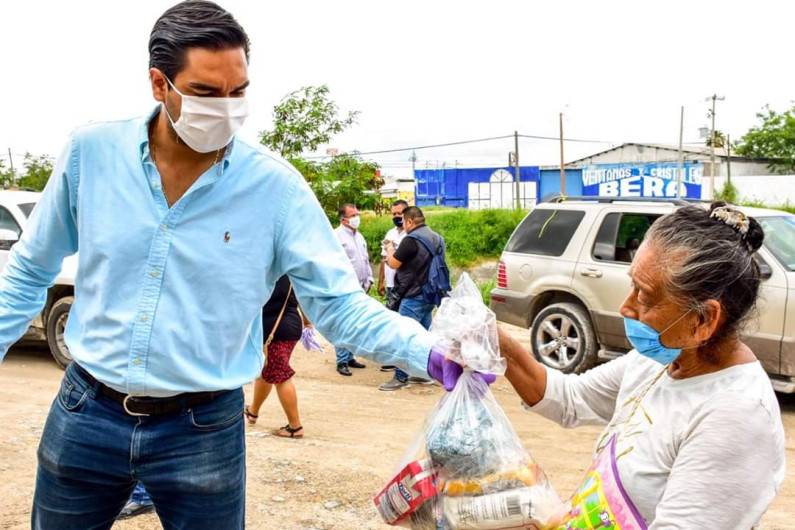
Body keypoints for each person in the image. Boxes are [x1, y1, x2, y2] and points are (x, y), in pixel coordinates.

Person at [0, 3, 466, 528]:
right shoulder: (91, 154)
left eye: (238, 92)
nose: (225, 109)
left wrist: (432, 353)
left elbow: (338, 306)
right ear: (160, 84)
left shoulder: (274, 189)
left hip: (202, 429)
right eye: (205, 93)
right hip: (87, 412)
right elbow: (29, 270)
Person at [498, 202, 785, 528]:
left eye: (645, 296)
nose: (626, 307)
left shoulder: (736, 417)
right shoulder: (661, 360)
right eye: (631, 285)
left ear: (703, 319)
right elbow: (571, 399)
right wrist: (500, 346)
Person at [381, 206, 444, 391]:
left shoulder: (411, 239)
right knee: (424, 337)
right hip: (430, 294)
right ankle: (422, 373)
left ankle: (401, 377)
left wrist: (390, 247)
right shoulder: (437, 237)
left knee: (404, 337)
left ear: (409, 221)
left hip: (412, 295)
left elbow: (393, 263)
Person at [244, 275, 307, 438]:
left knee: (280, 374)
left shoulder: (267, 275)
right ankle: (253, 411)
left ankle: (295, 426)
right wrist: (307, 323)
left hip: (275, 329)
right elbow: (303, 300)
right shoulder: (291, 274)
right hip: (291, 326)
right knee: (267, 369)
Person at [333, 203, 371, 376]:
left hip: (360, 286)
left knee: (354, 324)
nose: (357, 217)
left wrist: (369, 278)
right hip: (344, 287)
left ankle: (349, 357)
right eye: (353, 215)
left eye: (357, 214)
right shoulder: (336, 236)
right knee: (342, 324)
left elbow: (365, 259)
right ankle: (341, 360)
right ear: (343, 219)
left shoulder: (359, 236)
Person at [377, 199, 408, 372]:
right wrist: (381, 282)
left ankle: (402, 360)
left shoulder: (410, 235)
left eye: (399, 213)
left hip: (404, 285)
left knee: (403, 321)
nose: (396, 217)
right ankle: (392, 357)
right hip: (390, 285)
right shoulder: (390, 234)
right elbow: (383, 260)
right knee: (390, 321)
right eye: (394, 213)